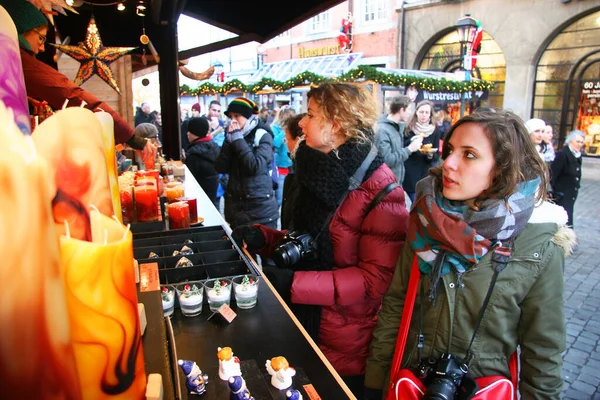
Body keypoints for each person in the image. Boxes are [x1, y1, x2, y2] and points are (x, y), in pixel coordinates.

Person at [365, 111, 575, 400]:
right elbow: (396, 304)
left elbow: (544, 348)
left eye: (470, 155)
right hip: (412, 383)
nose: (448, 163)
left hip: (482, 388)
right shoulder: (426, 218)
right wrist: (375, 382)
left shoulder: (538, 244)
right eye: (450, 150)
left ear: (503, 168)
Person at [231, 83, 410, 398]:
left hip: (342, 341)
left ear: (336, 123)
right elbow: (309, 241)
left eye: (311, 115)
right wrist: (266, 238)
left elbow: (374, 280)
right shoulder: (311, 169)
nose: (301, 122)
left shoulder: (382, 190)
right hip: (298, 322)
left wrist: (294, 283)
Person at [1, 0, 155, 158]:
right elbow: (68, 92)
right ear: (21, 30)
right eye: (41, 38)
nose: (41, 48)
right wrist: (131, 138)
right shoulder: (13, 56)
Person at [214, 97, 279, 229]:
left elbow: (254, 166)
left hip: (260, 213)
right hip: (237, 211)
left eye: (237, 116)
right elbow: (220, 167)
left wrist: (238, 140)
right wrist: (229, 141)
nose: (233, 120)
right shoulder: (232, 135)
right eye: (231, 116)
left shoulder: (262, 134)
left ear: (248, 116)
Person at [374, 95, 420, 186]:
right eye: (409, 109)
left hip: (394, 182)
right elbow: (387, 160)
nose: (411, 113)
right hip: (386, 185)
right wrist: (410, 149)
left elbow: (396, 151)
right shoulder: (382, 130)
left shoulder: (396, 127)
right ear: (402, 110)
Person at [402, 100, 442, 202]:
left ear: (430, 115)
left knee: (420, 202)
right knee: (415, 200)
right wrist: (411, 143)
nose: (423, 115)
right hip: (410, 171)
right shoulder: (408, 128)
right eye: (421, 112)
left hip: (425, 172)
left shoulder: (435, 130)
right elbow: (401, 147)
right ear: (416, 112)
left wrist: (430, 155)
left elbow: (436, 154)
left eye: (426, 112)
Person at [550, 130, 585, 228]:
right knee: (564, 220)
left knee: (568, 217)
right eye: (577, 141)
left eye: (581, 142)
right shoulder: (563, 155)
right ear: (570, 141)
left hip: (571, 193)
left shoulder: (577, 155)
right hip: (562, 194)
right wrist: (556, 191)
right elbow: (553, 175)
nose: (579, 144)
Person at [184, 117, 220, 206]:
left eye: (190, 131)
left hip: (199, 199)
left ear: (195, 132)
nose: (187, 133)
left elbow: (189, 182)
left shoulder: (193, 155)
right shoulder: (214, 146)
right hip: (213, 194)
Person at [280, 113, 305, 230]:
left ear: (298, 140)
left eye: (287, 139)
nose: (286, 143)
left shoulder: (301, 177)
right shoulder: (295, 173)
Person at [271, 106, 296, 208]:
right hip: (280, 168)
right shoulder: (275, 128)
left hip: (292, 167)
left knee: (289, 200)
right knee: (279, 199)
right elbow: (275, 144)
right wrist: (284, 131)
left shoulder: (293, 129)